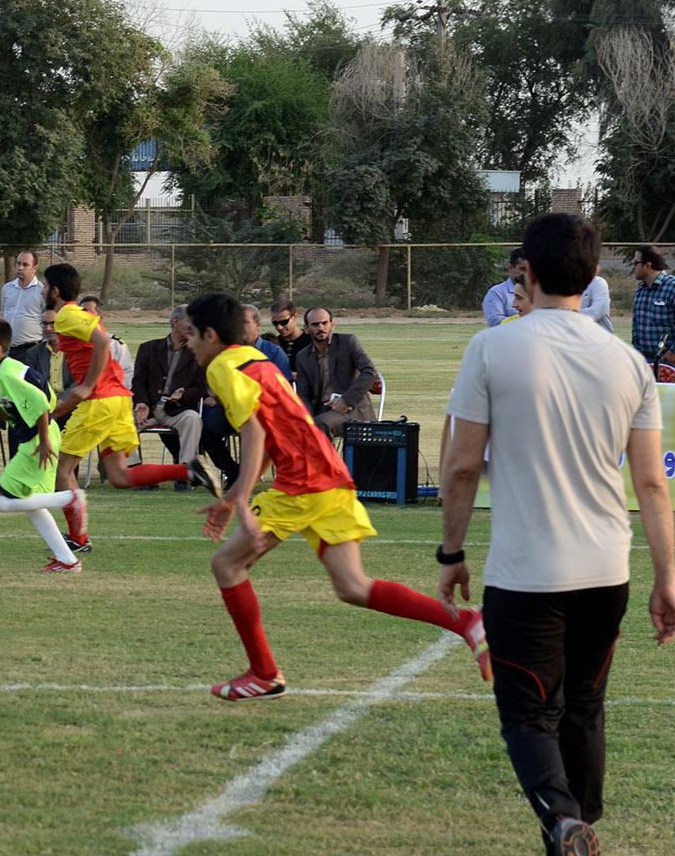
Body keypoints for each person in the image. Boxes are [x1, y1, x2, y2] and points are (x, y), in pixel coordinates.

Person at [439, 212, 675, 856]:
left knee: (528, 716)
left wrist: (451, 552)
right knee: (584, 708)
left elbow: (459, 464)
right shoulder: (628, 362)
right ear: (595, 277)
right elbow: (652, 484)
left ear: (528, 273)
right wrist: (666, 580)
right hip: (608, 567)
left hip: (525, 570)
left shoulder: (493, 349)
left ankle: (567, 827)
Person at [187, 289, 488, 703]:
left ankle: (264, 673)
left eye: (190, 337)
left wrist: (240, 500)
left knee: (226, 563)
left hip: (301, 484)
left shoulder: (223, 367)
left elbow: (255, 431)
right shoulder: (256, 362)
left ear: (210, 335)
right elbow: (271, 430)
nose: (188, 345)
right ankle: (469, 622)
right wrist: (237, 493)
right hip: (328, 476)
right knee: (352, 587)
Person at [43, 262, 189, 521]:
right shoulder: (79, 314)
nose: (41, 291)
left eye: (44, 286)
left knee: (62, 471)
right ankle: (188, 471)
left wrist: (87, 385)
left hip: (100, 401)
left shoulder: (65, 314)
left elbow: (102, 342)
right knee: (119, 476)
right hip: (119, 399)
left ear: (54, 291)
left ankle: (78, 539)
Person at [0, 318, 85, 573]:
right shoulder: (10, 368)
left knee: (0, 501)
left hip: (37, 442)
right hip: (42, 436)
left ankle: (70, 497)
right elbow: (15, 413)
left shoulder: (6, 374)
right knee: (32, 504)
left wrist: (45, 441)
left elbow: (39, 402)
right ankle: (68, 561)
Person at [200, 304, 286, 491]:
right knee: (206, 430)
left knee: (265, 433)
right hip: (232, 410)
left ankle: (254, 479)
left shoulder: (273, 353)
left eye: (244, 323)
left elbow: (284, 386)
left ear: (257, 325)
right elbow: (213, 386)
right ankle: (233, 472)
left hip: (265, 412)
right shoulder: (225, 354)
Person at [131, 306, 208, 482]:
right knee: (119, 423)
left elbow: (199, 387)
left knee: (193, 419)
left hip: (177, 410)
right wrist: (140, 403)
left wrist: (184, 394)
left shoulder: (199, 353)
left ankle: (184, 471)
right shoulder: (148, 348)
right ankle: (137, 473)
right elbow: (139, 381)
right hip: (149, 407)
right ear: (175, 322)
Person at [291, 308, 380, 439]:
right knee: (292, 426)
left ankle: (326, 460)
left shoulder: (348, 342)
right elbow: (304, 394)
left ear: (332, 325)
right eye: (315, 324)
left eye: (324, 323)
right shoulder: (303, 356)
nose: (321, 328)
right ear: (306, 329)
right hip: (320, 410)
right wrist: (306, 417)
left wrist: (346, 400)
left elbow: (370, 372)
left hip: (352, 409)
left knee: (321, 424)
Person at [627, 246, 675, 376]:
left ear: (647, 265)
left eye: (636, 263)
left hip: (673, 360)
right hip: (646, 360)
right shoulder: (640, 290)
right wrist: (637, 348)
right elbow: (637, 323)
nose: (633, 266)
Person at [0, 249, 49, 377]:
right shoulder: (7, 288)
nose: (20, 268)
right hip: (9, 350)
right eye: (18, 264)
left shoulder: (42, 291)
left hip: (31, 350)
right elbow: (5, 313)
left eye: (25, 265)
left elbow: (47, 321)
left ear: (34, 268)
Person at [481, 249, 528, 328]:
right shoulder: (497, 292)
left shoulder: (539, 291)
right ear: (510, 268)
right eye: (522, 269)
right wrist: (527, 320)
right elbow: (495, 323)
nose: (527, 273)